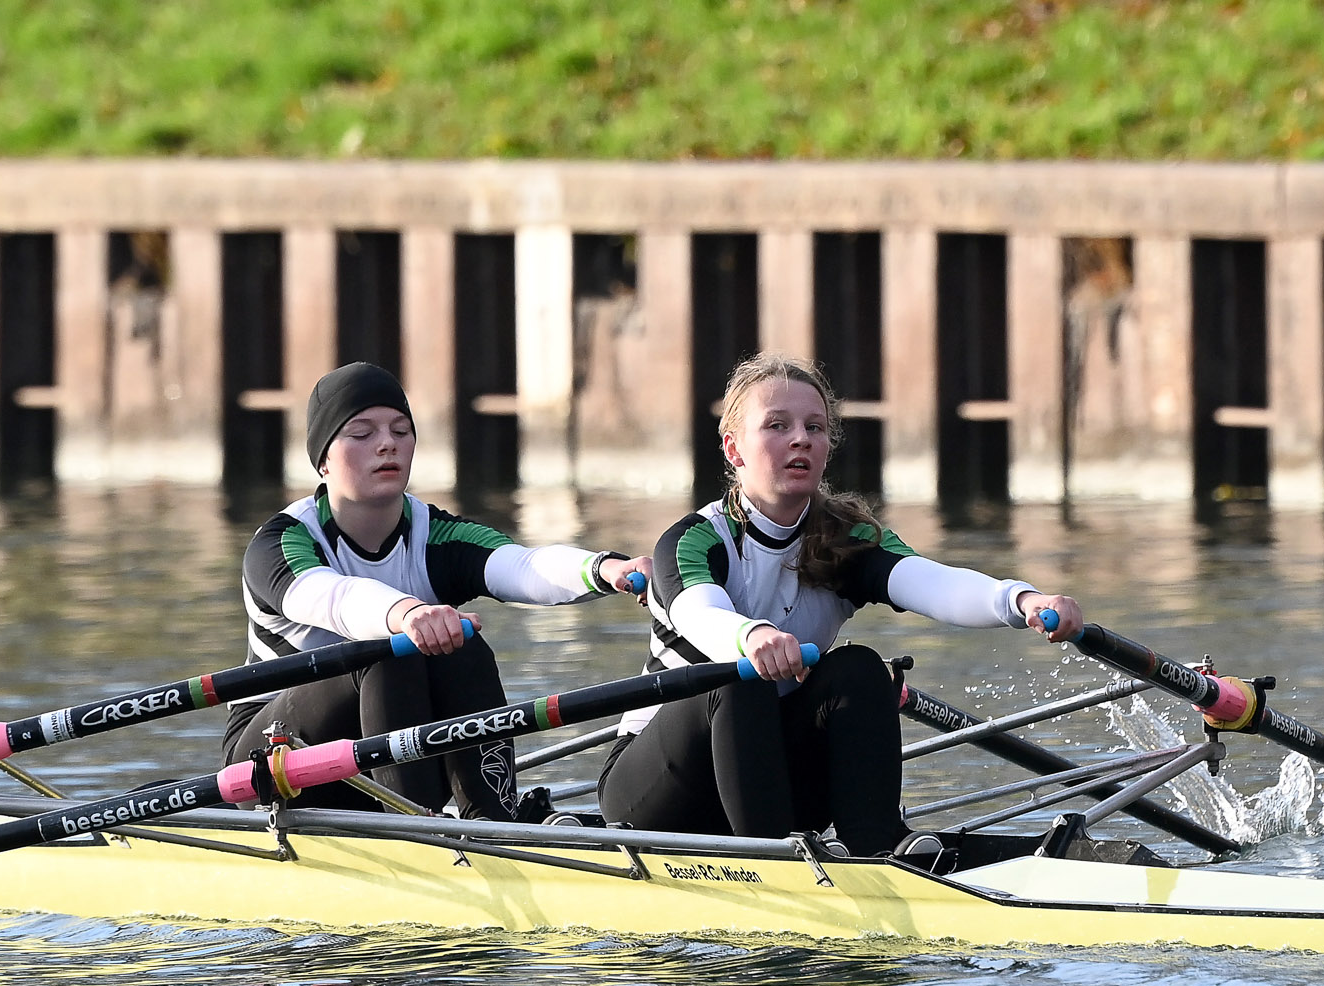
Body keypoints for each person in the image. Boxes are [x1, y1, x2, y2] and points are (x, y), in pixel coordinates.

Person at [600, 353, 1080, 855]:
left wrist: (1021, 599)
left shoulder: (845, 541)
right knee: (739, 677)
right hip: (657, 794)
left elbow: (935, 583)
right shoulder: (693, 541)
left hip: (776, 784)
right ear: (734, 449)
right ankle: (775, 863)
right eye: (777, 426)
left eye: (815, 427)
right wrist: (753, 637)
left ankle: (878, 848)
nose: (800, 438)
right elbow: (701, 612)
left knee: (859, 668)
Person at [224, 361, 652, 820]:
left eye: (401, 430)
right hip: (272, 763)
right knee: (388, 651)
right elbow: (333, 597)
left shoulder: (435, 535)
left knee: (462, 642)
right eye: (362, 432)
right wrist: (407, 613)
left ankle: (491, 819)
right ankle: (414, 827)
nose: (387, 443)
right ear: (323, 459)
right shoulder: (281, 543)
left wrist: (604, 568)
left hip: (377, 763)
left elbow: (523, 565)